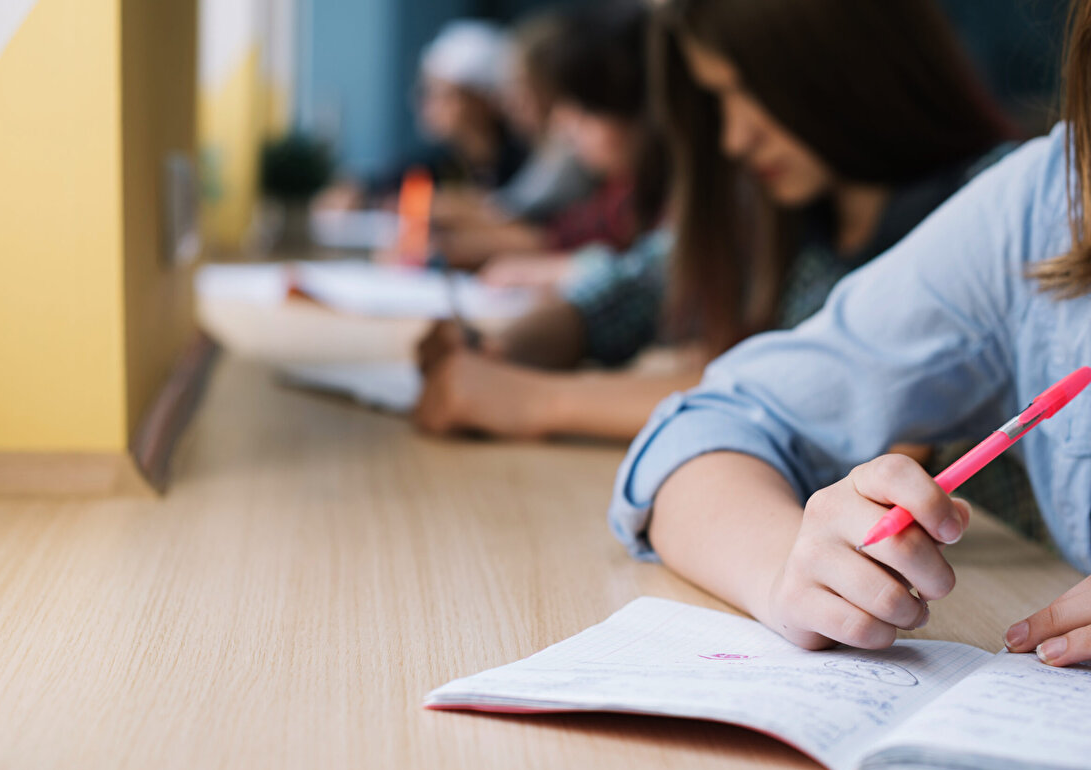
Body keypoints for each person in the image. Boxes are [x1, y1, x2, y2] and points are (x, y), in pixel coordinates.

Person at [607, 0, 1091, 669]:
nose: (733, 140)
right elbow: (712, 420)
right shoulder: (1045, 207)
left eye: (746, 91)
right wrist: (791, 569)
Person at [415, 0, 1016, 444]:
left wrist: (535, 401)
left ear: (844, 63)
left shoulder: (996, 204)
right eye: (718, 101)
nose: (734, 137)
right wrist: (504, 348)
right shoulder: (777, 201)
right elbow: (634, 288)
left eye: (748, 92)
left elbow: (822, 393)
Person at [434, 3, 668, 270]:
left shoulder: (642, 193)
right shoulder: (619, 190)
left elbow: (537, 229)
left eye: (586, 109)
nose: (564, 123)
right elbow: (564, 235)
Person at [313, 20, 526, 213]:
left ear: (482, 100)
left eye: (440, 93)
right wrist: (358, 192)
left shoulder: (526, 163)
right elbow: (377, 186)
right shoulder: (441, 161)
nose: (425, 103)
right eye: (425, 91)